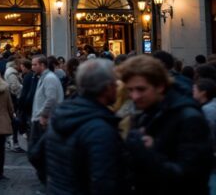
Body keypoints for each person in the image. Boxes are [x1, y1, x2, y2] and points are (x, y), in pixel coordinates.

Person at [120, 55, 212, 194]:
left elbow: (192, 177)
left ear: (160, 86)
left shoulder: (189, 118)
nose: (135, 96)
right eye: (130, 90)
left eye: (141, 89)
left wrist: (149, 153)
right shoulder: (145, 112)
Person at [43, 58, 127, 194]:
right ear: (106, 87)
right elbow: (104, 182)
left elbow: (38, 155)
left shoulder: (61, 114)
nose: (118, 87)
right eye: (115, 83)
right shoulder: (100, 128)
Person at [30, 54, 63, 150]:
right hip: (40, 118)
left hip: (44, 120)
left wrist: (44, 115)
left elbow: (51, 98)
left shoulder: (49, 78)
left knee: (39, 151)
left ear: (42, 65)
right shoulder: (43, 78)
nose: (32, 67)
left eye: (35, 65)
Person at [3, 57, 24, 152]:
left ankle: (10, 141)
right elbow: (14, 87)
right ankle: (12, 142)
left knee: (12, 121)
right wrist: (22, 88)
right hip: (13, 99)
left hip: (11, 99)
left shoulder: (11, 72)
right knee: (13, 121)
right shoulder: (12, 73)